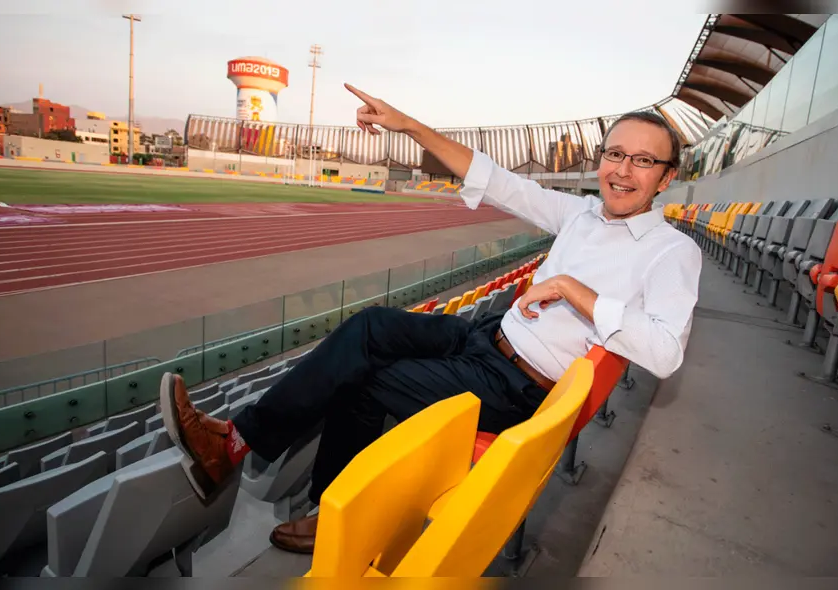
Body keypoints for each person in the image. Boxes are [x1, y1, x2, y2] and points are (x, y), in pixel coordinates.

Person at [159, 84, 702, 554]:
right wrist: (409, 126)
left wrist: (571, 289)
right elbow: (494, 179)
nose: (622, 170)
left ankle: (334, 514)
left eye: (643, 160)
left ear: (667, 177)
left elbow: (664, 353)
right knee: (371, 326)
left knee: (365, 382)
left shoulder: (672, 251)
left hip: (517, 386)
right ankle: (234, 442)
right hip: (488, 338)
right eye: (615, 154)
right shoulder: (581, 213)